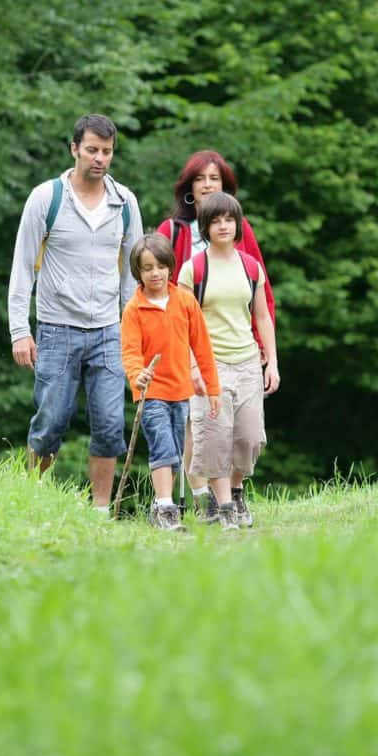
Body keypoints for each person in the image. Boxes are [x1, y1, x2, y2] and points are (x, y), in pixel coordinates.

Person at [7, 113, 143, 514]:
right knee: (51, 421)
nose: (99, 158)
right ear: (74, 150)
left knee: (108, 424)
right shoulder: (46, 198)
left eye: (107, 151)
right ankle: (31, 497)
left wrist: (133, 329)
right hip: (56, 329)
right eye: (91, 150)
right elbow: (22, 267)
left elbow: (133, 275)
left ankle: (101, 510)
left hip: (108, 330)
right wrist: (20, 330)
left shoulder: (125, 203)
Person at [156, 150, 276, 519]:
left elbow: (260, 294)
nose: (207, 185)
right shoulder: (172, 231)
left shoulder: (241, 232)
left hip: (237, 343)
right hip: (184, 342)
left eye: (215, 179)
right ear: (189, 187)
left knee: (240, 431)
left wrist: (266, 350)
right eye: (200, 179)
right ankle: (203, 497)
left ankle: (226, 493)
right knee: (198, 424)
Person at [178, 192, 279, 530]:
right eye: (215, 221)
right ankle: (223, 507)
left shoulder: (251, 267)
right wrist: (193, 366)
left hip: (248, 361)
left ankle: (236, 491)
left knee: (249, 438)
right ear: (205, 227)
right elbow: (183, 324)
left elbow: (262, 317)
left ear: (238, 224)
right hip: (211, 365)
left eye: (228, 220)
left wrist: (272, 363)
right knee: (216, 437)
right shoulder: (194, 269)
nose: (223, 226)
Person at [120, 234, 221, 531]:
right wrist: (137, 375)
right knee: (163, 448)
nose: (155, 273)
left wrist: (212, 389)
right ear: (138, 272)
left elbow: (202, 348)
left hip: (181, 393)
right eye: (148, 267)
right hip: (151, 393)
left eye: (161, 266)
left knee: (175, 454)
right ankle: (166, 509)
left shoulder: (185, 302)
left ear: (171, 267)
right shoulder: (134, 310)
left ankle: (160, 507)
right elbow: (129, 352)